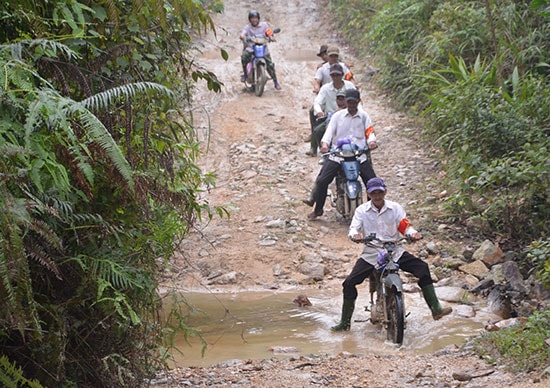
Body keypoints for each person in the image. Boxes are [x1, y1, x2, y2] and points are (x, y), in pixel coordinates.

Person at [331, 177, 453, 331]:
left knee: (422, 268)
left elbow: (404, 225)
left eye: (380, 192)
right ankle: (344, 323)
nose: (377, 196)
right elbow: (354, 228)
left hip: (394, 251)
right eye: (373, 193)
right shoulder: (362, 210)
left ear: (385, 192)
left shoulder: (395, 208)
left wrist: (412, 233)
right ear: (368, 194)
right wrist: (355, 235)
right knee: (349, 283)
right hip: (372, 253)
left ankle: (435, 308)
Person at [307, 89, 377, 220]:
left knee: (372, 182)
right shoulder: (337, 116)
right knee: (322, 181)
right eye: (349, 101)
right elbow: (328, 133)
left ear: (358, 102)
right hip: (338, 155)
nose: (351, 105)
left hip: (358, 156)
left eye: (354, 102)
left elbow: (370, 132)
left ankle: (372, 211)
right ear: (345, 101)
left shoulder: (364, 116)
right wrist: (325, 144)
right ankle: (318, 209)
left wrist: (372, 142)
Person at [303, 89, 348, 206]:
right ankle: (316, 204)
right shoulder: (333, 116)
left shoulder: (358, 115)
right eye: (339, 98)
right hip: (336, 152)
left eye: (343, 98)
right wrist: (325, 145)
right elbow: (328, 133)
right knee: (322, 178)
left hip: (353, 152)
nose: (341, 101)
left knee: (370, 178)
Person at [306, 63, 356, 156]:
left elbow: (358, 101)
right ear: (330, 76)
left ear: (342, 75)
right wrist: (319, 112)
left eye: (338, 75)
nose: (336, 77)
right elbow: (317, 102)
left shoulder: (349, 86)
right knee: (318, 130)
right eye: (333, 75)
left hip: (349, 114)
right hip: (331, 116)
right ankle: (323, 151)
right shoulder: (325, 88)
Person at [240, 10, 281, 90]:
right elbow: (243, 33)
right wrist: (243, 37)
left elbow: (269, 32)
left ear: (258, 19)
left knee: (270, 65)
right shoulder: (247, 27)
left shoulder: (264, 25)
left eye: (255, 18)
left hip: (263, 48)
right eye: (252, 18)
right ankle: (245, 74)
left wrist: (271, 38)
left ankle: (275, 82)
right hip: (251, 48)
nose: (254, 20)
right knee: (244, 57)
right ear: (249, 19)